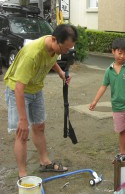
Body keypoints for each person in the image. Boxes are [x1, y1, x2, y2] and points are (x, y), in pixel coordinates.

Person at [4, 24, 78, 178]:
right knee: (22, 132)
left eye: (68, 49)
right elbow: (19, 87)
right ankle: (22, 175)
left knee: (39, 127)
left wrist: (60, 72)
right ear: (54, 39)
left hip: (36, 89)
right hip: (18, 91)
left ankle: (45, 162)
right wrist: (23, 120)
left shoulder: (54, 47)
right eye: (64, 48)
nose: (65, 52)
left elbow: (51, 60)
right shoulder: (32, 54)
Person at [89, 38, 125, 161]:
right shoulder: (108, 71)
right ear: (113, 52)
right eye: (120, 53)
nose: (122, 56)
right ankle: (122, 153)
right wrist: (95, 101)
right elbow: (103, 86)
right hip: (117, 106)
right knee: (122, 130)